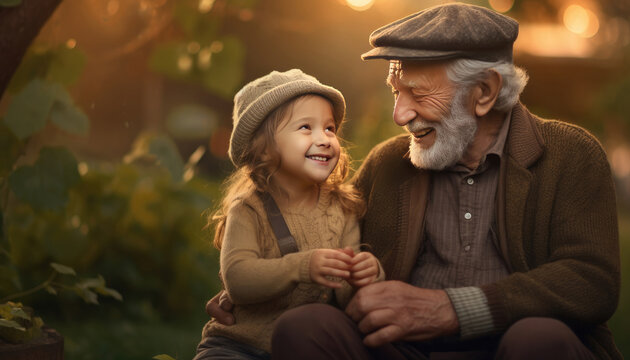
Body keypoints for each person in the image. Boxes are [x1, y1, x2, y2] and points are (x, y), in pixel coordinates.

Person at [208, 4, 621, 359]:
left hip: (511, 348)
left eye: (418, 94)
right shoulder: (389, 162)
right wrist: (260, 289)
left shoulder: (570, 154)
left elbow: (591, 281)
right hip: (403, 350)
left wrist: (452, 308)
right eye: (395, 92)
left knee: (540, 339)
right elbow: (325, 243)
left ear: (484, 92)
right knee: (305, 326)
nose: (400, 115)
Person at [194, 69, 385, 360]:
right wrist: (302, 266)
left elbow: (345, 295)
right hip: (238, 346)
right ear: (264, 148)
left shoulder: (342, 208)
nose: (324, 139)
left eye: (330, 128)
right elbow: (238, 278)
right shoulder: (249, 208)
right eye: (306, 127)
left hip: (304, 347)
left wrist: (365, 275)